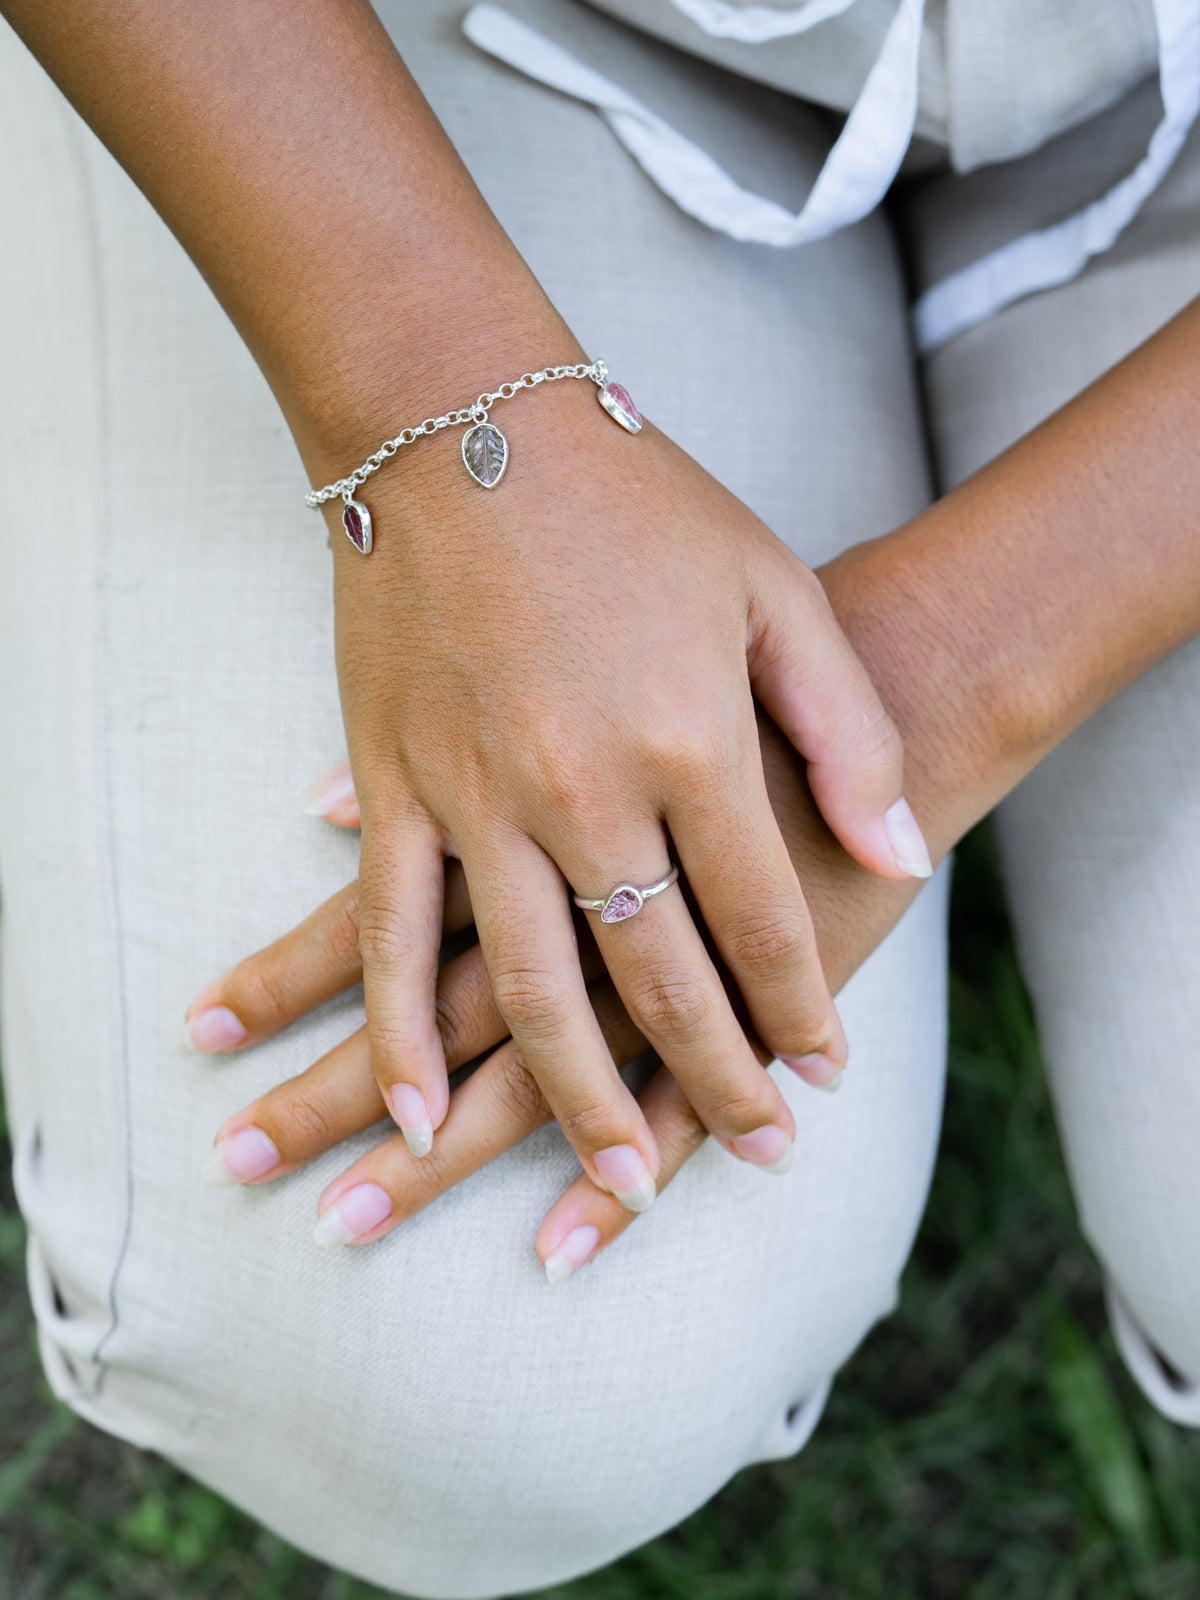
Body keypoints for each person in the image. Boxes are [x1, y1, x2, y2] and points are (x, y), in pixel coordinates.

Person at [1, 1, 1198, 1595]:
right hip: (447, 62)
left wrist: (937, 674)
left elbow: (932, 678)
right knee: (451, 1357)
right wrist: (439, 424)